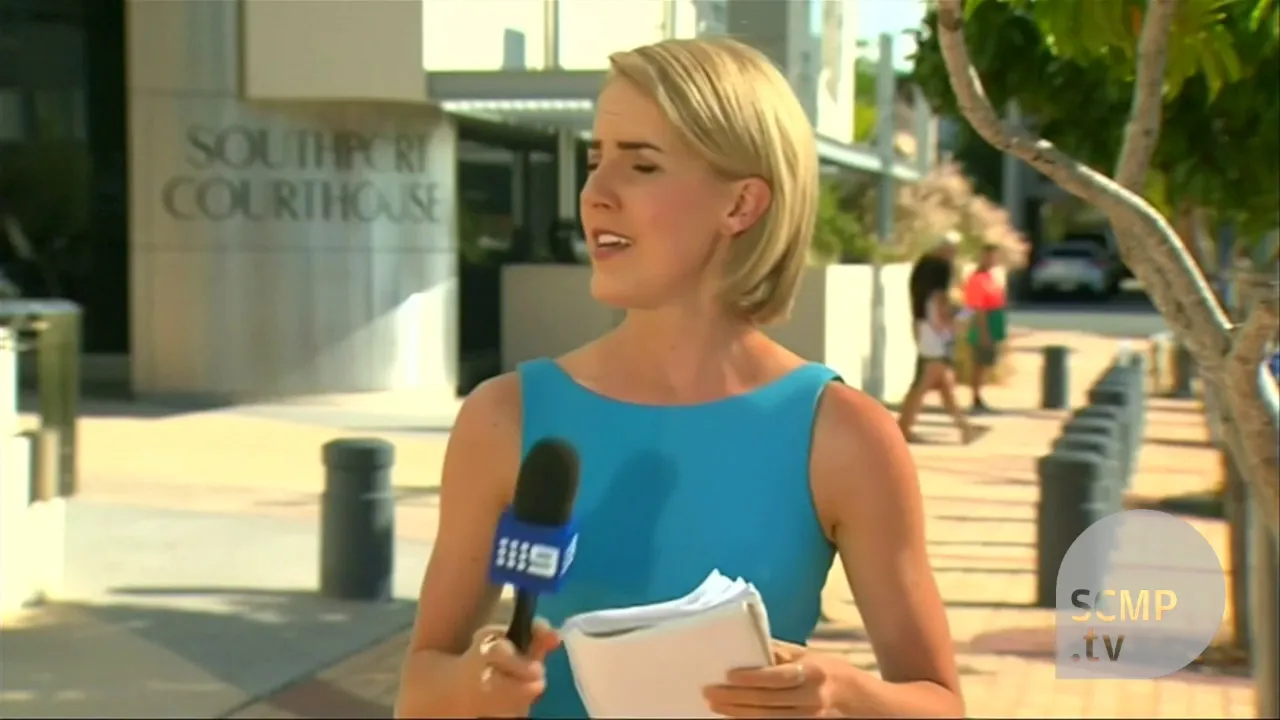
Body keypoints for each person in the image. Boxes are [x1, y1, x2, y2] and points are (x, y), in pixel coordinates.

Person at [395, 38, 963, 720]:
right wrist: (474, 686)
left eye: (641, 165)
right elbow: (419, 690)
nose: (595, 194)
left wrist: (841, 690)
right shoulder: (504, 418)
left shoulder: (843, 434)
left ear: (741, 205)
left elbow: (939, 706)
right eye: (595, 160)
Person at [898, 234, 976, 444]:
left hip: (925, 329)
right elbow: (940, 305)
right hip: (934, 333)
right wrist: (956, 320)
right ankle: (902, 429)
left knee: (943, 383)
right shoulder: (939, 272)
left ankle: (964, 428)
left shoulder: (923, 267)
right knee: (926, 382)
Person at [962, 244, 1007, 414]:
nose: (992, 260)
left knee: (985, 363)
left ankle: (978, 397)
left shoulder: (992, 276)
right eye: (989, 256)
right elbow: (978, 307)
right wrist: (984, 331)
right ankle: (976, 398)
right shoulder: (977, 278)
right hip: (984, 322)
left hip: (993, 320)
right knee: (979, 363)